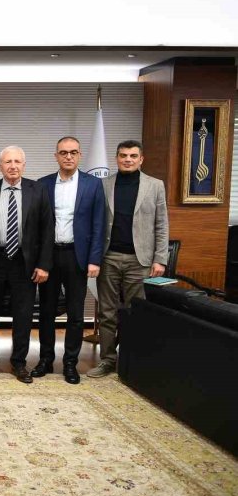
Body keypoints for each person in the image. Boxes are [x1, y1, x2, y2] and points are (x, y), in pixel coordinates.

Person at [88, 140, 169, 378]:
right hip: (109, 257)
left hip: (140, 260)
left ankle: (132, 360)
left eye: (133, 156)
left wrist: (160, 259)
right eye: (123, 155)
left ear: (141, 159)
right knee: (107, 313)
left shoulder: (155, 185)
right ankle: (107, 360)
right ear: (116, 158)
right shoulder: (103, 184)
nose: (128, 159)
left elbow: (162, 224)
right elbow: (95, 222)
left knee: (135, 313)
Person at [0, 146, 53, 384]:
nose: (12, 166)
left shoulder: (37, 190)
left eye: (17, 162)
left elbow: (47, 229)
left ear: (24, 165)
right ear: (0, 166)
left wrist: (43, 265)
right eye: (8, 162)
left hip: (25, 261)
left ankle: (19, 362)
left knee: (23, 314)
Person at [34, 137, 106, 384]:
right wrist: (39, 260)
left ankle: (70, 363)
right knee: (46, 312)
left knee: (75, 314)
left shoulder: (93, 184)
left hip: (78, 256)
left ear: (80, 155)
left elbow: (98, 224)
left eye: (73, 152)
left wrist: (95, 259)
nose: (68, 156)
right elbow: (37, 226)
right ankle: (45, 360)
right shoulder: (42, 184)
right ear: (56, 156)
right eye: (63, 152)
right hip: (49, 256)